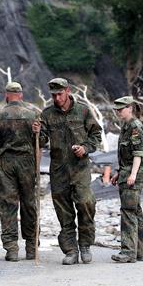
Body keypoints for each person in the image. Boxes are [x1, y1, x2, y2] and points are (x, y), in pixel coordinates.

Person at [32, 77, 101, 265]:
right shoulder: (47, 114)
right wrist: (37, 132)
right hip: (58, 170)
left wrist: (85, 148)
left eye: (59, 94)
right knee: (64, 211)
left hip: (80, 168)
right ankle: (71, 249)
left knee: (86, 203)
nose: (56, 98)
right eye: (53, 95)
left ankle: (85, 244)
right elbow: (41, 142)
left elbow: (96, 135)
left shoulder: (83, 111)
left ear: (68, 91)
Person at [0, 81, 41, 262]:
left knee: (8, 205)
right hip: (27, 163)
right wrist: (36, 168)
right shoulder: (33, 115)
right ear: (21, 95)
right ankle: (31, 247)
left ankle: (11, 249)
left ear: (6, 95)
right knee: (29, 204)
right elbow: (40, 144)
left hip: (6, 164)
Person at [110, 95, 143, 263]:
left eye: (121, 109)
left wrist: (132, 174)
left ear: (130, 109)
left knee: (128, 212)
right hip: (128, 172)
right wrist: (120, 172)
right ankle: (139, 251)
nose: (118, 112)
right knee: (135, 211)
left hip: (135, 174)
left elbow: (137, 154)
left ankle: (128, 252)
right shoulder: (126, 127)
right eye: (117, 109)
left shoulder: (135, 127)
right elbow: (126, 156)